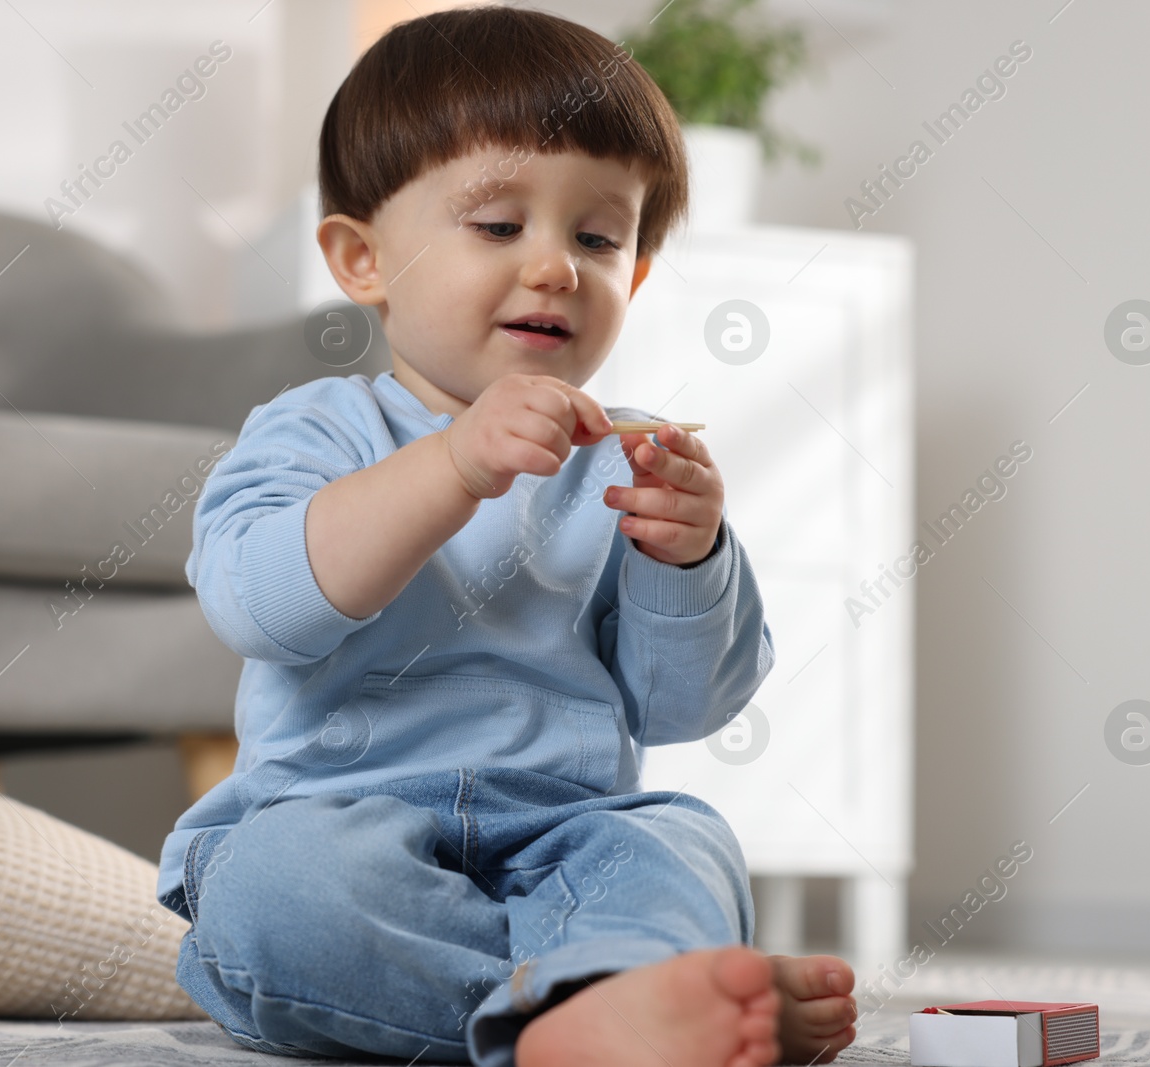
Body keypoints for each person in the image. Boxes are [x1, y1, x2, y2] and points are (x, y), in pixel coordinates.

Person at [156, 8, 858, 1066]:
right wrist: (453, 466)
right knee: (270, 895)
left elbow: (680, 706)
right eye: (496, 225)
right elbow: (261, 606)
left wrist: (689, 559)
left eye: (596, 236)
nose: (555, 268)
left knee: (681, 842)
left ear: (639, 273)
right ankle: (587, 1005)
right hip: (336, 816)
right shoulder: (315, 427)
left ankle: (603, 997)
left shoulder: (627, 457)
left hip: (565, 829)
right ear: (362, 259)